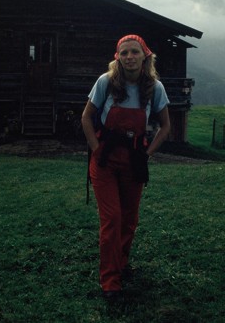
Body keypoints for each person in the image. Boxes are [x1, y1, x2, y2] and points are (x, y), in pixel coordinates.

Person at [81, 34, 170, 300]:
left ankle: (119, 263)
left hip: (133, 162)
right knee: (112, 219)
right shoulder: (106, 82)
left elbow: (166, 127)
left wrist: (147, 154)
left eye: (135, 52)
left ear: (145, 56)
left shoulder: (155, 88)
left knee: (129, 220)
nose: (129, 57)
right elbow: (86, 118)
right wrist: (97, 150)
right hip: (105, 160)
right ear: (117, 57)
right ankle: (110, 281)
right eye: (124, 53)